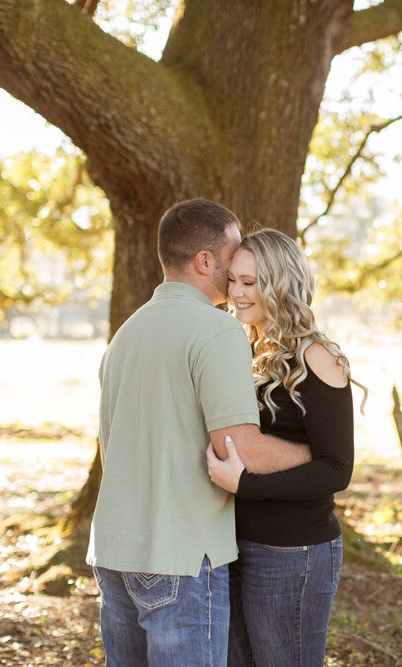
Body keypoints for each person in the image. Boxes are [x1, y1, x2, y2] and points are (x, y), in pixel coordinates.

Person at [87, 199, 312, 666]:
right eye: (232, 259)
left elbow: (113, 450)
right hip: (181, 555)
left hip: (112, 555)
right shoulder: (217, 331)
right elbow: (240, 450)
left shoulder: (124, 335)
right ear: (204, 261)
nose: (237, 275)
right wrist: (317, 456)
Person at [206, 228, 367, 667]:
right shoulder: (248, 349)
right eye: (232, 280)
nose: (235, 292)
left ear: (279, 284)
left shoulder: (317, 356)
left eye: (249, 282)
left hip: (293, 553)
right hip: (234, 545)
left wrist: (245, 484)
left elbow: (337, 469)